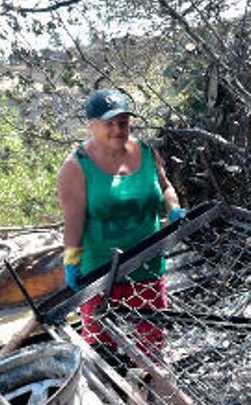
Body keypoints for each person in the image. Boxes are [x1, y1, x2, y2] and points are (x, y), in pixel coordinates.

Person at [57, 89, 185, 355]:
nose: (118, 129)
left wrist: (174, 209)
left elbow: (165, 187)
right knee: (102, 353)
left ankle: (146, 392)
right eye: (109, 123)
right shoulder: (77, 165)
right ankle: (110, 394)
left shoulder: (147, 152)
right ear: (90, 126)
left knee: (151, 348)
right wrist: (71, 262)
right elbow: (73, 220)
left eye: (123, 122)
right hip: (101, 276)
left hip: (147, 267)